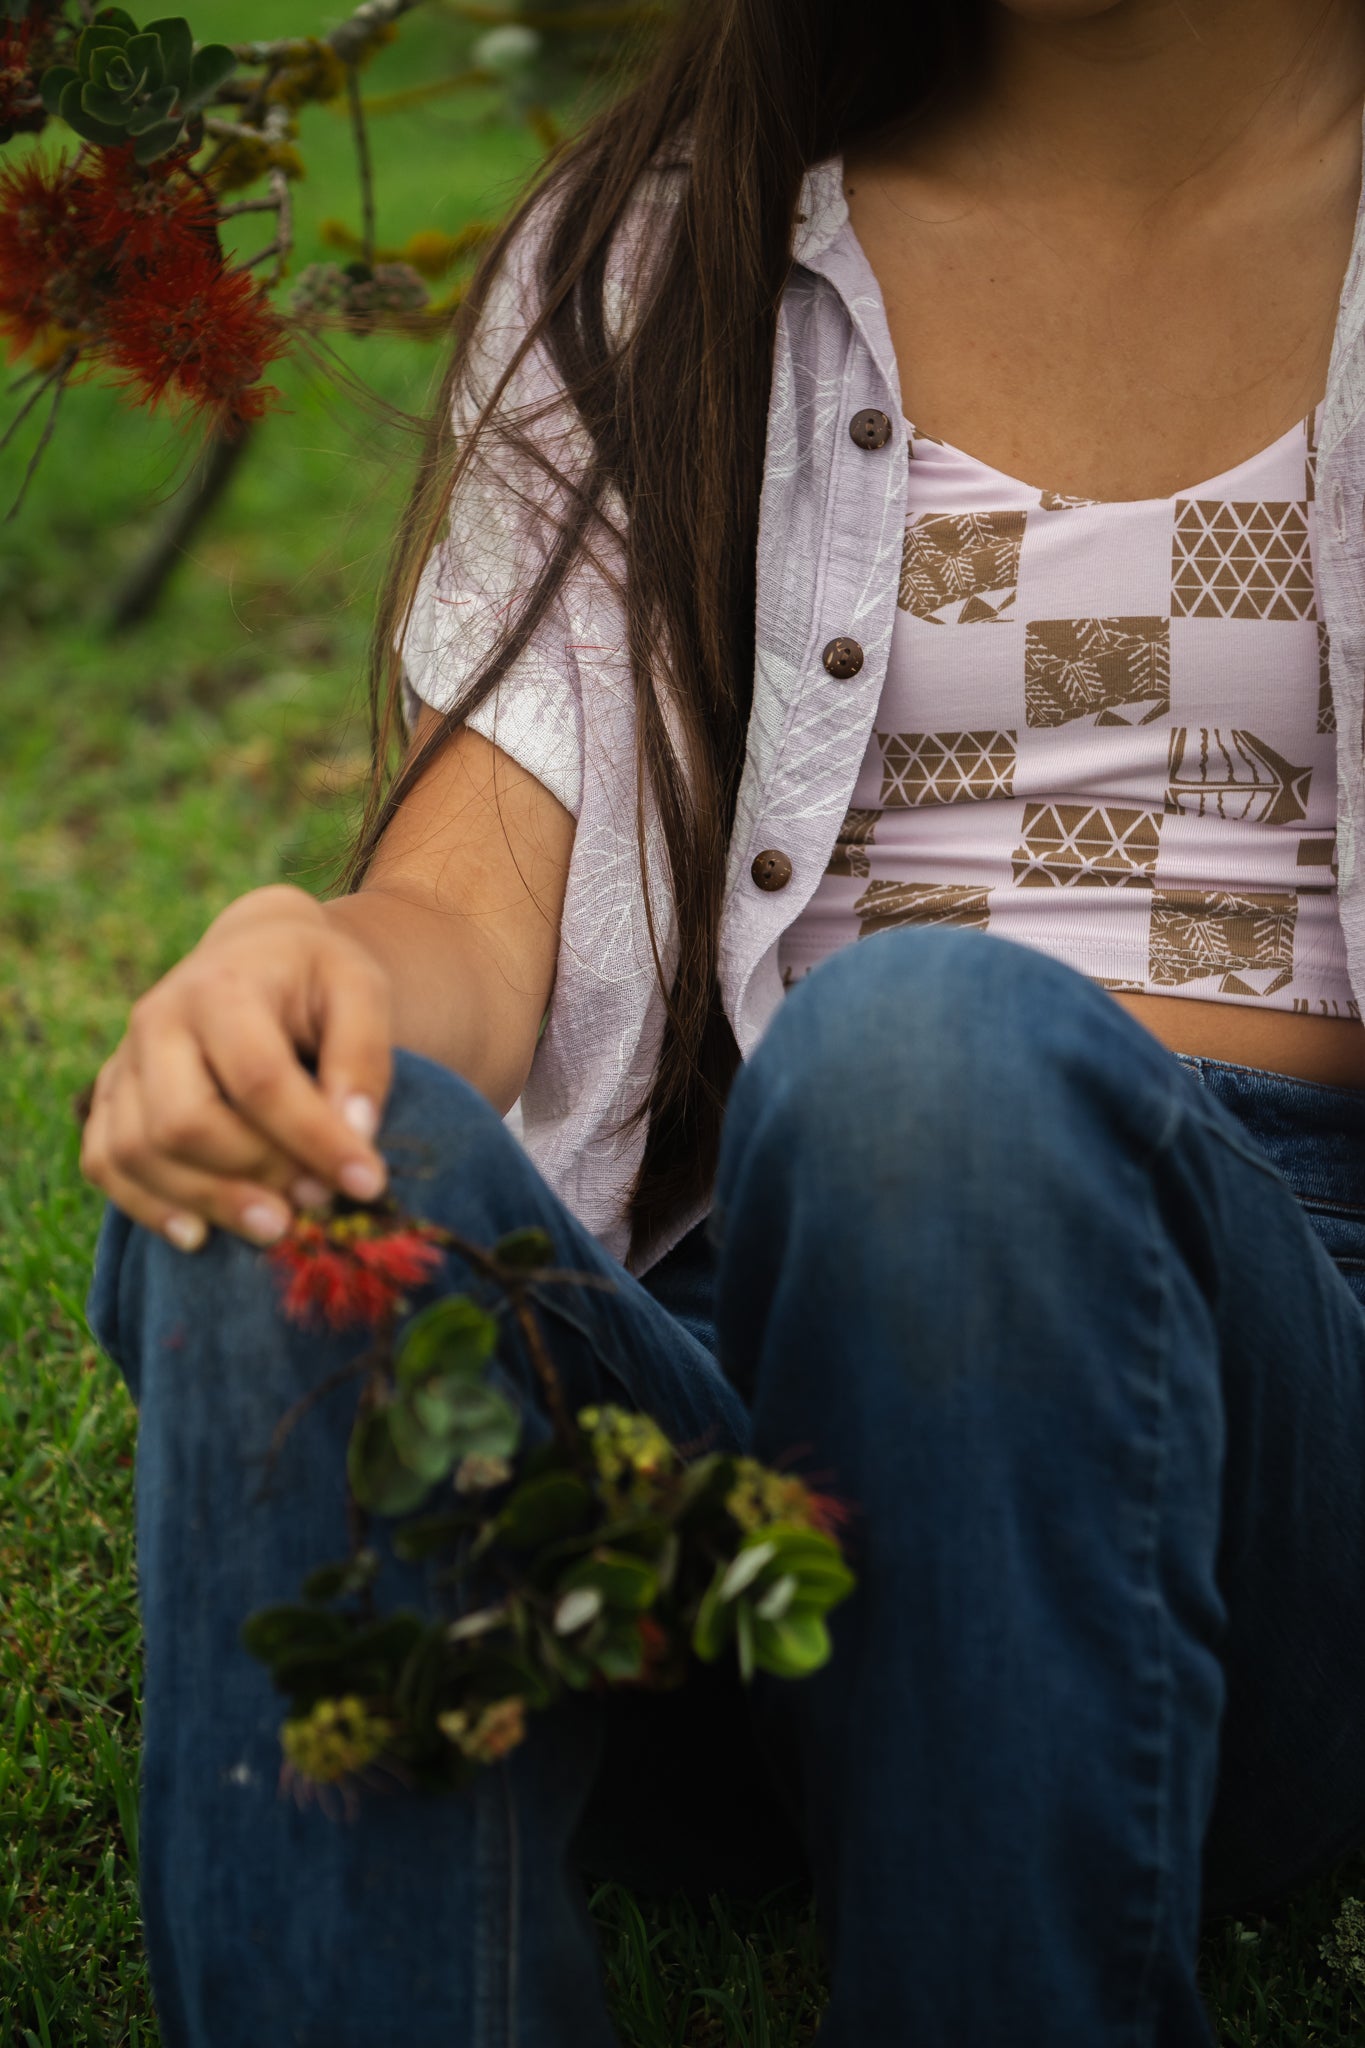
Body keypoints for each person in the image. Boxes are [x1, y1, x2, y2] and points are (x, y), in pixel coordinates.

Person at [81, 0, 1365, 2041]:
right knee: (314, 1171)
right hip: (750, 1407)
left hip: (1260, 1432)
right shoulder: (663, 255)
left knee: (929, 1056)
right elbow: (463, 915)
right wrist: (285, 968)